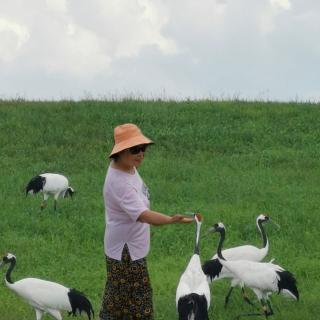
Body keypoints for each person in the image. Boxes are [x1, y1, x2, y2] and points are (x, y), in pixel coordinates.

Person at [99, 123, 193, 320]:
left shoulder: (127, 166)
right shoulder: (119, 182)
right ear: (120, 152)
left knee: (119, 298)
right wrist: (170, 220)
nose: (140, 154)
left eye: (143, 149)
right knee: (137, 301)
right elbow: (144, 215)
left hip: (129, 247)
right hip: (126, 252)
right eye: (135, 149)